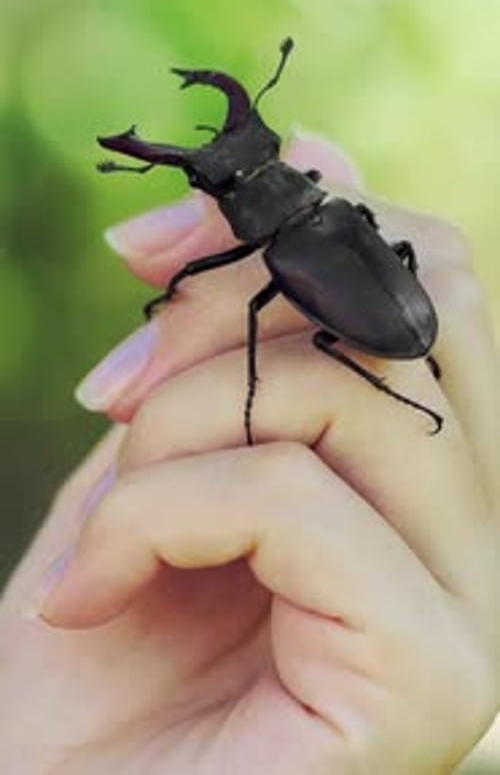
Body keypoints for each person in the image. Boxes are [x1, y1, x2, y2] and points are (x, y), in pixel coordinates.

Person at [1, 133, 498, 774]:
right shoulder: (338, 214)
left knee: (314, 343)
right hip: (394, 307)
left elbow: (203, 281)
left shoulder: (298, 245)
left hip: (394, 321)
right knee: (314, 339)